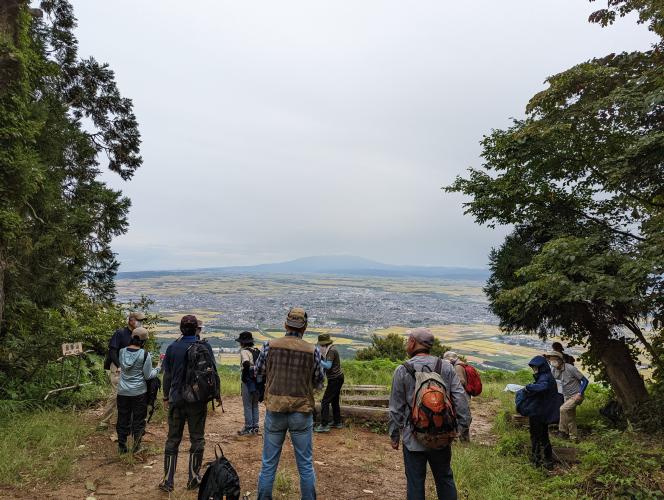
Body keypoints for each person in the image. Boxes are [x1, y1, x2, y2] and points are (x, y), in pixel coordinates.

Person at [389, 328, 470, 500]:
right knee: (445, 479)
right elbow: (460, 399)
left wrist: (394, 435)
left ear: (412, 343)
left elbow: (396, 408)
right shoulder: (446, 367)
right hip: (441, 435)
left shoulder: (402, 370)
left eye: (408, 340)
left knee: (415, 483)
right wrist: (461, 428)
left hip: (413, 438)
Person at [254, 308, 325, 500]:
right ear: (305, 328)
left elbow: (258, 372)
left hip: (275, 409)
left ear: (285, 325)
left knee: (268, 464)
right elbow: (319, 381)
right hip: (301, 411)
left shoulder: (269, 345)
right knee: (305, 464)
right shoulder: (313, 350)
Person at [159, 315, 221, 492]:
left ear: (180, 329)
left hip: (177, 399)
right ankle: (193, 478)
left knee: (173, 439)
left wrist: (165, 397)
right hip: (197, 401)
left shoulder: (172, 347)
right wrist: (215, 395)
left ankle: (167, 481)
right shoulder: (204, 346)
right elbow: (212, 372)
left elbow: (167, 376)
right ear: (196, 329)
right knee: (197, 438)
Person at [116, 327, 160, 454]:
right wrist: (157, 369)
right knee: (138, 419)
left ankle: (122, 446)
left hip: (122, 391)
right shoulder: (145, 354)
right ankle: (136, 446)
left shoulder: (122, 352)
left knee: (123, 417)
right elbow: (147, 375)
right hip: (139, 392)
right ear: (144, 341)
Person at [99, 311, 146, 431]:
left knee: (129, 394)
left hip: (130, 368)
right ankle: (104, 422)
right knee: (116, 394)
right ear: (130, 320)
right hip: (117, 366)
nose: (140, 323)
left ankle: (124, 421)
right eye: (138, 320)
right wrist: (119, 366)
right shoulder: (120, 333)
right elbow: (112, 351)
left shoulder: (139, 334)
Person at [520, 356, 559, 470]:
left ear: (541, 367)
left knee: (536, 437)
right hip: (543, 411)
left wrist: (529, 387)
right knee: (543, 436)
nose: (534, 369)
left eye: (536, 367)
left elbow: (543, 387)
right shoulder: (546, 375)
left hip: (539, 412)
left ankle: (536, 461)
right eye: (533, 367)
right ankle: (548, 460)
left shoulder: (545, 377)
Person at [545, 351, 589, 442]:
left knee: (563, 409)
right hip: (566, 396)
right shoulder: (554, 369)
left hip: (576, 395)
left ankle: (562, 432)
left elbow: (585, 381)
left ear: (560, 360)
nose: (552, 361)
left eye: (554, 359)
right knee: (570, 417)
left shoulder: (570, 368)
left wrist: (579, 394)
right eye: (551, 359)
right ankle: (574, 438)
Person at [314, 333, 345, 433]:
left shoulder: (331, 351)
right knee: (334, 401)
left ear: (325, 345)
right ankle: (337, 422)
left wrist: (317, 360)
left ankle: (324, 424)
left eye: (321, 346)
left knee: (325, 401)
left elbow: (328, 366)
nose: (320, 347)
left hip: (335, 379)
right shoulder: (330, 350)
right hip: (337, 378)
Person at [235, 330, 261, 436]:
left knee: (247, 405)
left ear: (243, 342)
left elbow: (245, 363)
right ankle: (255, 426)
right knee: (255, 404)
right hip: (258, 380)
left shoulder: (244, 352)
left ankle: (248, 427)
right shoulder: (256, 350)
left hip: (248, 381)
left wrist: (245, 376)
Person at [442, 351, 471, 442]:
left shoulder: (457, 367)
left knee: (461, 416)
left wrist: (454, 383)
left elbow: (462, 381)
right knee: (463, 415)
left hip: (461, 395)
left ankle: (462, 439)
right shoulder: (461, 365)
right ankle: (463, 438)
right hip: (463, 394)